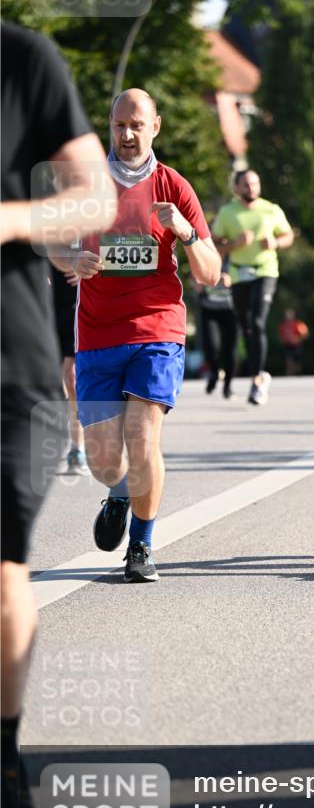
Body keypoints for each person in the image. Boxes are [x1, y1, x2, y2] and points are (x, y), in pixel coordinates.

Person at [1, 22, 117, 808]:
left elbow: (96, 198)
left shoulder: (22, 60)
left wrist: (10, 218)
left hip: (10, 367)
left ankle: (3, 761)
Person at [52, 88, 221, 582]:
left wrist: (187, 234)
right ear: (110, 126)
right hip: (98, 334)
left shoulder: (175, 187)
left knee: (144, 436)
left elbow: (209, 273)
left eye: (137, 125)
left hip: (157, 329)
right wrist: (73, 259)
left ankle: (143, 546)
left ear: (156, 127)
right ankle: (120, 490)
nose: (127, 134)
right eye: (119, 125)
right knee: (105, 460)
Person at [212, 170, 294, 405]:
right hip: (239, 273)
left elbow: (288, 235)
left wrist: (276, 242)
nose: (252, 187)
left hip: (265, 271)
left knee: (257, 322)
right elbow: (214, 244)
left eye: (255, 183)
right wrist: (233, 244)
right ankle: (258, 374)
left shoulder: (271, 209)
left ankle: (257, 379)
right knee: (246, 326)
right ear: (236, 187)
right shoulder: (227, 212)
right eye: (246, 184)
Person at [50, 261, 88, 472]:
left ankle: (77, 448)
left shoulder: (86, 229)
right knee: (46, 381)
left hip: (77, 307)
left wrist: (86, 271)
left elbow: (105, 254)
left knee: (72, 376)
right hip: (45, 304)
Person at [195, 265, 238, 399]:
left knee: (230, 350)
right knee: (212, 346)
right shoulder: (205, 248)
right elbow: (196, 280)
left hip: (231, 311)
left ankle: (228, 386)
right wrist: (198, 283)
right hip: (209, 310)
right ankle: (214, 373)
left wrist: (232, 280)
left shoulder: (235, 254)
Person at [278, 308, 310, 376]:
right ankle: (288, 374)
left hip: (296, 346)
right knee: (288, 360)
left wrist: (297, 339)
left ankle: (295, 372)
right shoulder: (283, 325)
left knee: (296, 363)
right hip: (287, 345)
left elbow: (305, 335)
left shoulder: (298, 324)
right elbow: (281, 336)